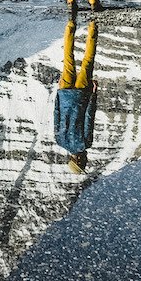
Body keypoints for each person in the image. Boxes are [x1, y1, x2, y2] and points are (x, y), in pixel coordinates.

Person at [54, 17, 98, 173]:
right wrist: (59, 92)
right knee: (68, 59)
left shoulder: (85, 143)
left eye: (84, 163)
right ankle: (70, 24)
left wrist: (93, 95)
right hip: (65, 93)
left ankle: (93, 25)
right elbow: (57, 113)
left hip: (81, 95)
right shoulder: (59, 140)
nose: (86, 160)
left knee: (87, 61)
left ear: (78, 159)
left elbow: (88, 117)